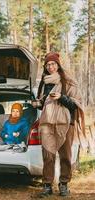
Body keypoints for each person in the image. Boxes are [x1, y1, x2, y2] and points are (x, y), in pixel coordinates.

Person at [32, 52, 86, 198]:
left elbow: (76, 104)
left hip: (65, 123)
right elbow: (44, 104)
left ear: (58, 65)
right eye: (48, 64)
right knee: (48, 155)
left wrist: (61, 97)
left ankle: (64, 184)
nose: (50, 67)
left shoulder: (67, 81)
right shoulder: (44, 83)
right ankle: (47, 186)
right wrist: (37, 104)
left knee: (65, 155)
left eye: (53, 64)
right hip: (47, 124)